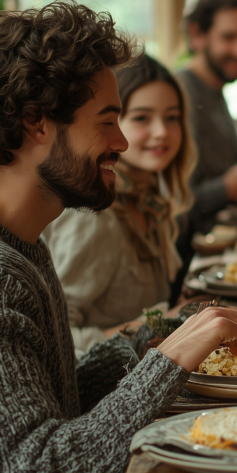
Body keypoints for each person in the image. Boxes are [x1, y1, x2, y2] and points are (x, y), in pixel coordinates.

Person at [0, 0, 237, 473]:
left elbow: (53, 407)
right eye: (108, 120)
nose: (125, 142)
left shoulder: (23, 243)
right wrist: (167, 360)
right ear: (38, 121)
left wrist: (145, 344)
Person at [43, 55, 196, 354]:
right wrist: (150, 327)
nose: (162, 131)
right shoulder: (95, 215)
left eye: (171, 117)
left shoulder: (150, 200)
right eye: (141, 118)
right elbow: (57, 341)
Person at [174, 0, 237, 292]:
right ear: (197, 35)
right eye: (229, 37)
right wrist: (228, 188)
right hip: (193, 276)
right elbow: (170, 208)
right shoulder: (178, 99)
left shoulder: (214, 91)